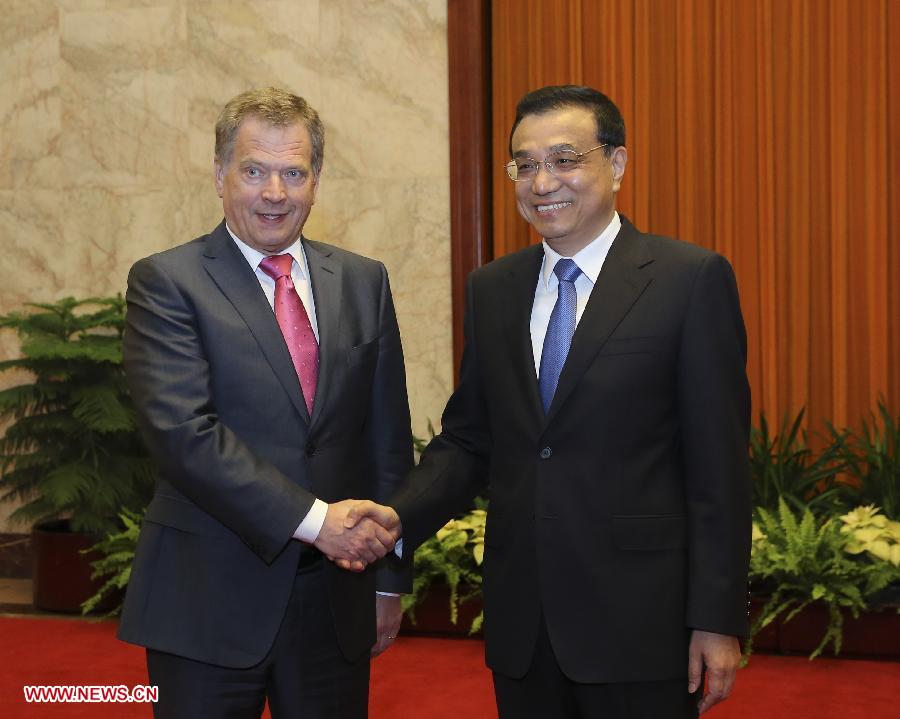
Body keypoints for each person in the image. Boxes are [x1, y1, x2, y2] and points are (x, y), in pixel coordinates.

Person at [377, 85, 752, 718]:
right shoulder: (494, 288)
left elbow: (718, 469)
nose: (542, 181)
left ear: (618, 164)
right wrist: (393, 523)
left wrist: (716, 619)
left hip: (642, 625)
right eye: (525, 164)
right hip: (526, 624)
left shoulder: (689, 280)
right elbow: (470, 439)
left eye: (564, 158)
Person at [118, 87, 410, 718]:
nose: (274, 193)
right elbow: (183, 434)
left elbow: (385, 439)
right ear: (221, 173)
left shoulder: (364, 280)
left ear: (316, 180)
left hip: (335, 606)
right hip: (206, 602)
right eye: (254, 171)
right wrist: (317, 522)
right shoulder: (167, 281)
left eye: (293, 173)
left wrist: (391, 577)